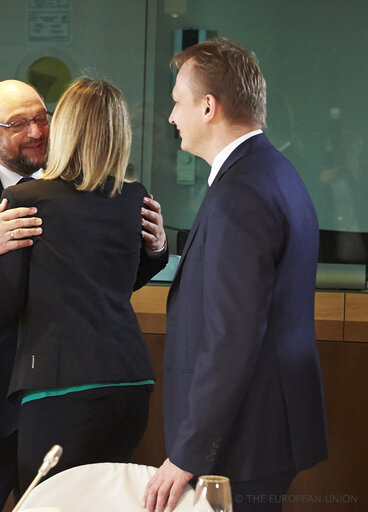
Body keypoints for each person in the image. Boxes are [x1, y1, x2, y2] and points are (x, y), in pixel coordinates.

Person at [0, 79, 167, 512]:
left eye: (42, 118)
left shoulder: (92, 188)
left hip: (58, 394)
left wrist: (156, 250)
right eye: (19, 123)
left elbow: (102, 281)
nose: (36, 132)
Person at [143, 39, 327, 512]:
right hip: (262, 429)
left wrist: (189, 452)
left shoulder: (240, 193)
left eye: (177, 102)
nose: (171, 117)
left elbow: (233, 336)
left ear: (209, 106)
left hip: (241, 442)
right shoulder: (274, 171)